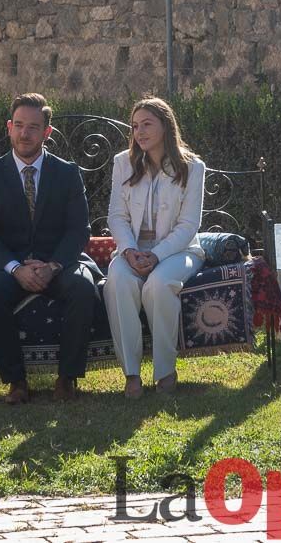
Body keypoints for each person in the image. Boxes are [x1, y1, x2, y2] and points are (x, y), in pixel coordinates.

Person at [0, 93, 99, 404]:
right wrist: (16, 268)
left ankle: (67, 378)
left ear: (47, 132)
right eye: (18, 125)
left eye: (33, 127)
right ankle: (16, 382)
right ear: (9, 127)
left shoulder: (67, 173)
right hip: (7, 265)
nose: (24, 133)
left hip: (57, 264)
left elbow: (78, 230)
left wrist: (53, 266)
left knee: (84, 289)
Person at [103, 97, 205, 398]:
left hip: (178, 250)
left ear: (165, 125)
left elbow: (188, 226)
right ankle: (131, 372)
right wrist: (130, 251)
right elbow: (117, 216)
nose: (139, 132)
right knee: (118, 281)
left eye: (147, 124)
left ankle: (165, 370)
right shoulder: (123, 163)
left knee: (158, 284)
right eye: (135, 126)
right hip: (132, 249)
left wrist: (156, 255)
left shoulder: (192, 167)